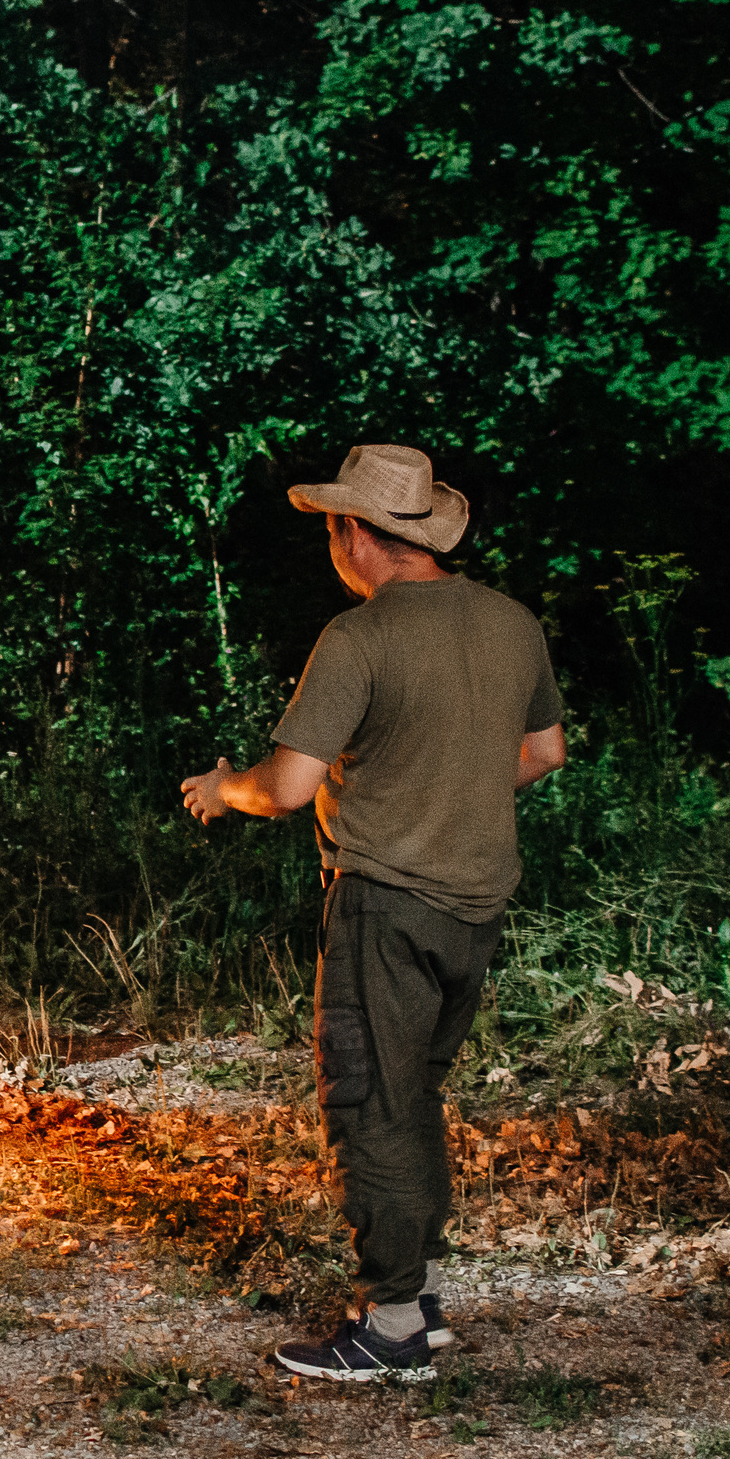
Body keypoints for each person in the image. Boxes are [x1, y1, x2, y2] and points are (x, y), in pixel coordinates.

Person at [180, 444, 567, 1382]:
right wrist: (452, 790)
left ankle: (391, 1330)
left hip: (386, 907)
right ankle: (417, 1298)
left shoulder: (359, 637)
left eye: (331, 528)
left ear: (356, 532)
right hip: (474, 910)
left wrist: (222, 788)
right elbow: (544, 752)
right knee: (413, 1096)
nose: (332, 544)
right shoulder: (511, 623)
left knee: (369, 1104)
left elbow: (286, 787)